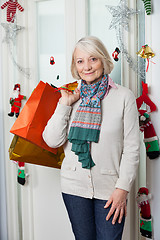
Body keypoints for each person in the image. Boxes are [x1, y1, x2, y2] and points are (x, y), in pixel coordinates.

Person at [42, 36, 140, 240]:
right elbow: (52, 141)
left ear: (103, 60)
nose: (86, 66)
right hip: (74, 188)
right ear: (74, 65)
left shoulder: (124, 96)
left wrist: (122, 189)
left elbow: (132, 148)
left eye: (93, 59)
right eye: (80, 61)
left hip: (110, 191)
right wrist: (65, 105)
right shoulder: (70, 96)